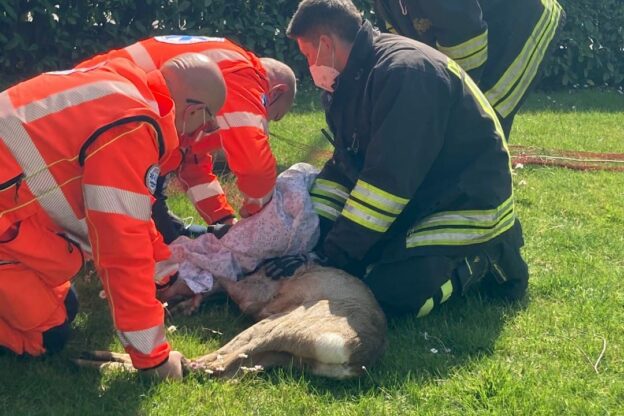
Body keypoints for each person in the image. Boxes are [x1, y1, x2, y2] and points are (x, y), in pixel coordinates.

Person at [265, 0, 529, 318]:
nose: (309, 66)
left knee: (390, 296)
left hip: (464, 201)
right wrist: (308, 237)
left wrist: (332, 255)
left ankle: (483, 260)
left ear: (325, 44)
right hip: (419, 194)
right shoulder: (347, 82)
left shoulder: (406, 74)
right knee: (356, 268)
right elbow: (345, 167)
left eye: (308, 55)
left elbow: (386, 186)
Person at [0, 52, 226, 379]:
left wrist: (167, 279)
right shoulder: (133, 127)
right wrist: (154, 359)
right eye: (207, 122)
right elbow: (121, 246)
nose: (202, 132)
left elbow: (133, 217)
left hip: (9, 221)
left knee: (66, 306)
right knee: (45, 337)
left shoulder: (123, 94)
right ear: (192, 111)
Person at [78, 36, 297, 243]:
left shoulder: (223, 73)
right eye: (272, 116)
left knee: (157, 223)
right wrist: (259, 211)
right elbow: (255, 166)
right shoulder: (245, 76)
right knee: (135, 231)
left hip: (93, 94)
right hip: (99, 106)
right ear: (276, 93)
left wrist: (224, 221)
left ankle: (160, 227)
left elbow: (192, 162)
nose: (262, 119)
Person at [374, 0, 565, 140]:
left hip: (520, 21)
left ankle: (487, 186)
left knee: (483, 116)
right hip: (475, 22)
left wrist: (456, 98)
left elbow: (466, 37)